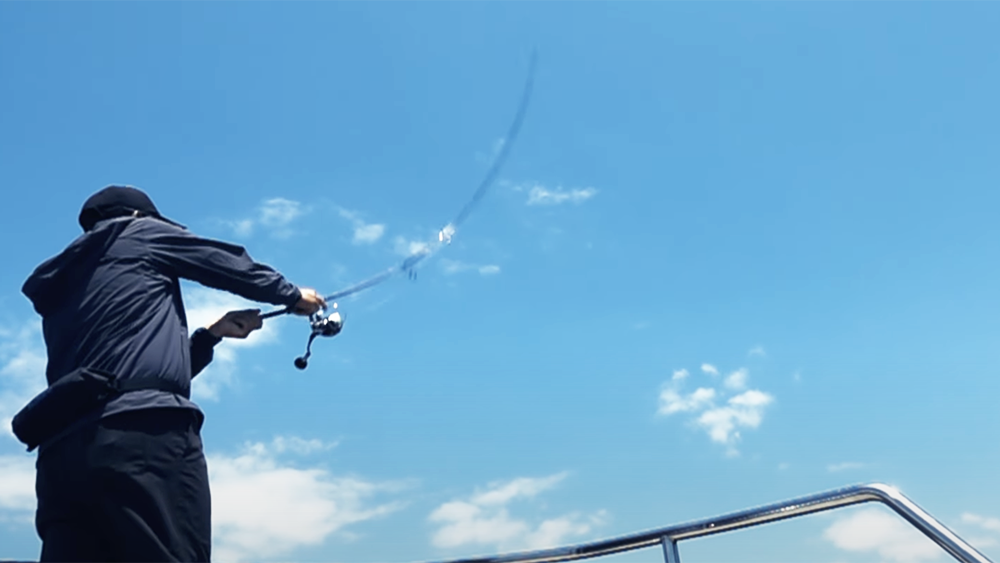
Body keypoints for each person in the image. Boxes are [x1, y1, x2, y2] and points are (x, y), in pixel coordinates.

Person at [14, 185, 326, 563]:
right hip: (144, 440)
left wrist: (211, 337)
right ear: (138, 217)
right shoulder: (137, 234)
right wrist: (292, 296)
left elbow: (120, 376)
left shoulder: (65, 283)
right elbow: (220, 260)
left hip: (62, 461)